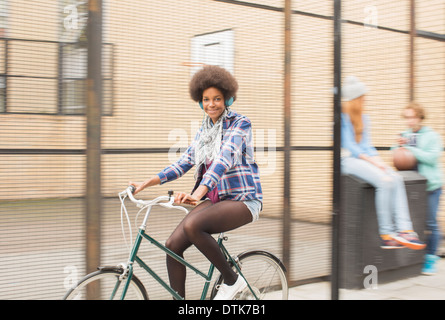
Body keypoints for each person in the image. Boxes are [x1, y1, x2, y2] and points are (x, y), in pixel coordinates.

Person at [129, 65, 263, 299]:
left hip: (243, 200)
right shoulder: (204, 131)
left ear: (227, 98)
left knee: (193, 226)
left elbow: (223, 160)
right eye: (206, 99)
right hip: (215, 200)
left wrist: (199, 192)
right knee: (172, 245)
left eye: (217, 98)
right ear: (200, 102)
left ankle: (233, 281)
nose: (212, 104)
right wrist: (146, 183)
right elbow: (183, 163)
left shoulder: (240, 124)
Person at [340, 76, 425, 250]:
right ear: (355, 99)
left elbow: (367, 146)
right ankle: (386, 235)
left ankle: (405, 230)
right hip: (347, 160)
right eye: (362, 98)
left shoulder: (364, 119)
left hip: (363, 158)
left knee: (395, 177)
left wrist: (380, 162)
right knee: (384, 181)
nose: (365, 100)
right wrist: (373, 162)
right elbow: (350, 146)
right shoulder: (342, 118)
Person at [397, 102, 443, 274]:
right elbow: (398, 154)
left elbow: (431, 158)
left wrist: (410, 148)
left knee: (431, 223)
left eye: (412, 117)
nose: (409, 121)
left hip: (431, 185)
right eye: (407, 117)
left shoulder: (432, 135)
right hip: (412, 186)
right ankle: (418, 256)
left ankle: (431, 257)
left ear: (420, 117)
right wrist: (399, 145)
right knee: (416, 222)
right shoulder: (405, 134)